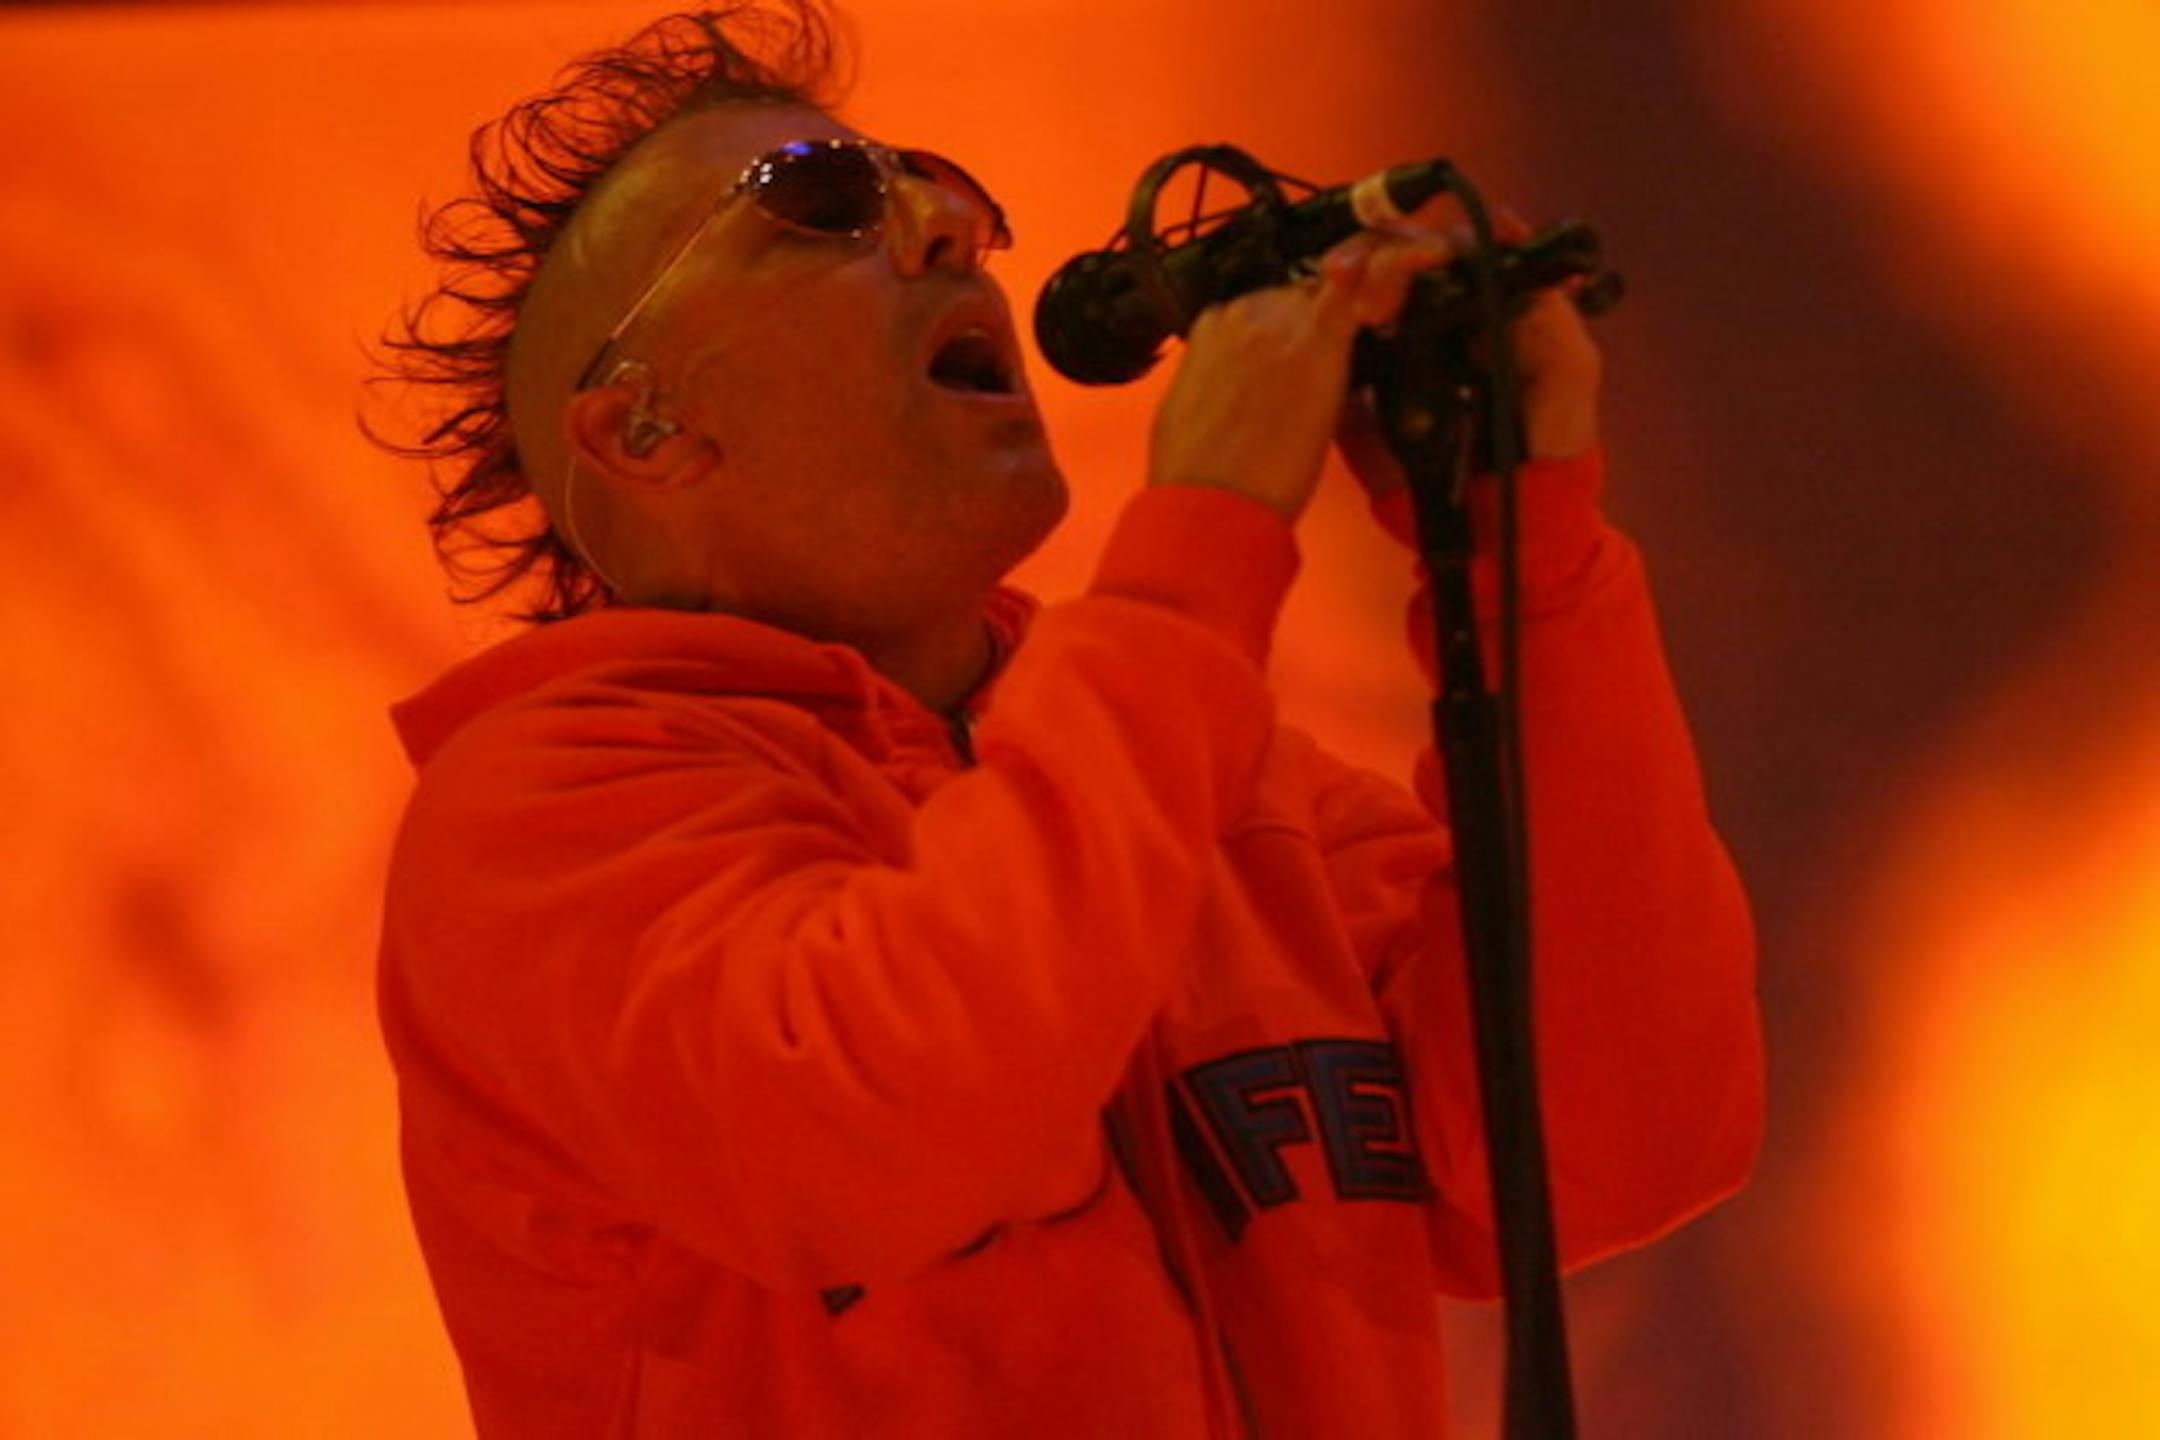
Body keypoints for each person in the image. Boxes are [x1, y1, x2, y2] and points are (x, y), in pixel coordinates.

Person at [373, 5, 1763, 1436]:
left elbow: (1621, 1143)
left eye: (945, 195)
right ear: (644, 428)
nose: (938, 231)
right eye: (816, 203)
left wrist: (1523, 547)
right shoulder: (537, 817)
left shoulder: (1235, 793)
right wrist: (1208, 528)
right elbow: (881, 1122)